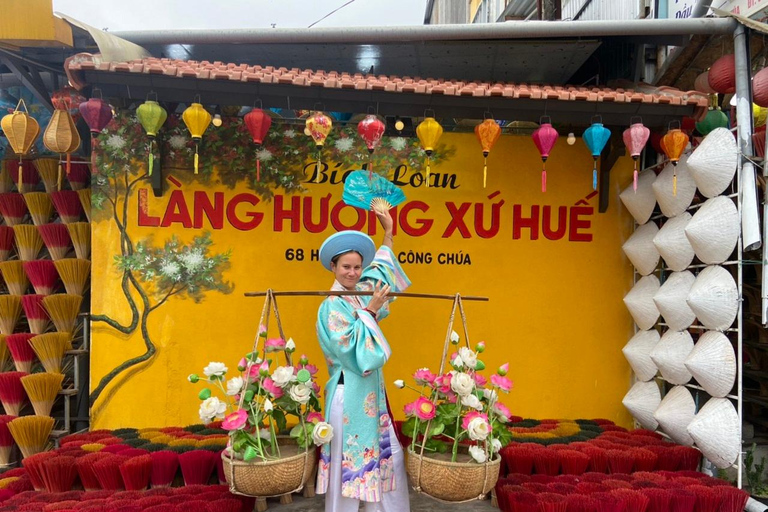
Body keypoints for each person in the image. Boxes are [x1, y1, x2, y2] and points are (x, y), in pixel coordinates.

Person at [315, 209, 411, 512]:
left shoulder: (357, 296)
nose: (353, 273)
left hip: (371, 396)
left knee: (387, 460)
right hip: (348, 395)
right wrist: (369, 312)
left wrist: (388, 233)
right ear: (333, 266)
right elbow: (352, 350)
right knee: (350, 467)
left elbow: (380, 276)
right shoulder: (331, 307)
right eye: (346, 267)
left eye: (357, 267)